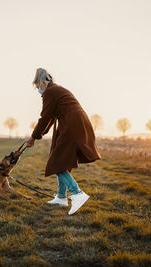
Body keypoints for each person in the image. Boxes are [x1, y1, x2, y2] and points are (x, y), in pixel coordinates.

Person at [26, 68, 101, 215]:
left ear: (42, 82)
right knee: (62, 160)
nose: (39, 91)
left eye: (38, 87)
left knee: (56, 162)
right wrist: (38, 135)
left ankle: (77, 193)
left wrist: (33, 137)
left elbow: (45, 118)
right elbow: (52, 118)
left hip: (72, 124)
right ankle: (61, 197)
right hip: (73, 122)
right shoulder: (56, 90)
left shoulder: (50, 92)